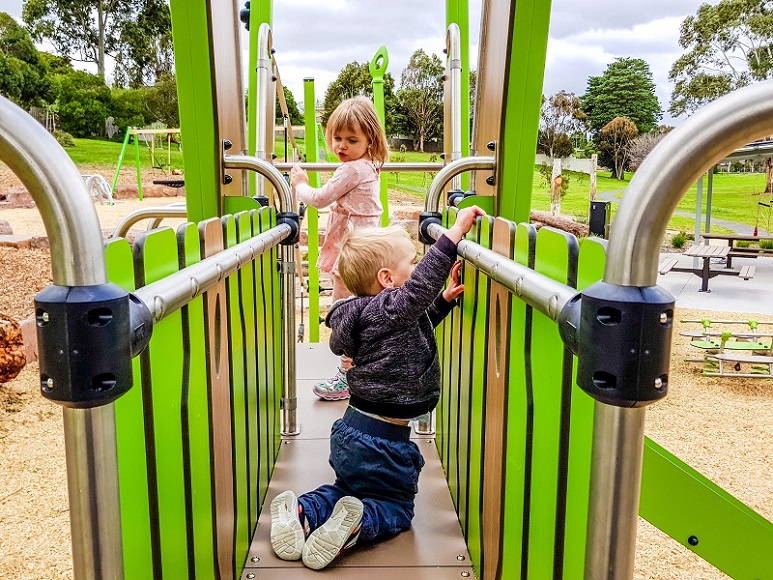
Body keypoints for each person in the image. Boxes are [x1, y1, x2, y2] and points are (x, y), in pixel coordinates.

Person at [269, 205, 486, 571]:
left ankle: (303, 511)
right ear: (387, 278)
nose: (417, 271)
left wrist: (444, 302)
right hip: (386, 440)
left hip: (351, 431)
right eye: (411, 265)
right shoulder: (392, 307)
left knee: (346, 490)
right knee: (395, 509)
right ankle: (357, 525)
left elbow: (413, 322)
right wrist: (451, 237)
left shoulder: (366, 312)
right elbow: (417, 294)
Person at [290, 96, 390, 402]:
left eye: (351, 139)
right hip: (367, 250)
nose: (341, 146)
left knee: (344, 312)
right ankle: (365, 368)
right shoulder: (370, 166)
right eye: (337, 138)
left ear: (369, 140)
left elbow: (319, 199)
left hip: (351, 252)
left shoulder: (351, 170)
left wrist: (298, 184)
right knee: (363, 312)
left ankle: (347, 374)